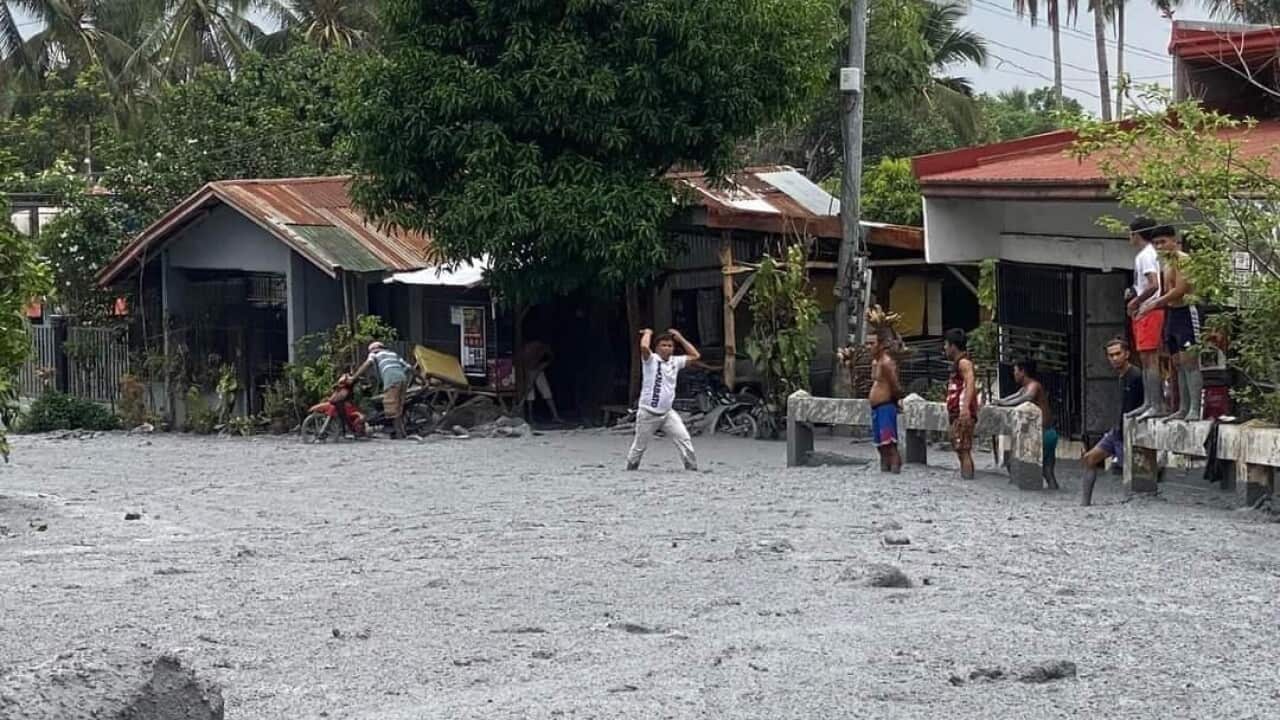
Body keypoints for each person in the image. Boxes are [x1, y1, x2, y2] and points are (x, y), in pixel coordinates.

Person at [1144, 230, 1202, 421]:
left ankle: (1194, 408)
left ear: (1174, 241)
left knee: (1190, 361)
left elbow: (1180, 289)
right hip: (1172, 314)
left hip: (1186, 311)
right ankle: (1183, 407)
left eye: (1162, 242)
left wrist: (1155, 303)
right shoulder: (1166, 263)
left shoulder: (1182, 260)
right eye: (1156, 243)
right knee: (1177, 361)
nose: (1159, 247)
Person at [1081, 337, 1145, 506]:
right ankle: (1085, 504)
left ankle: (1133, 501)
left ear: (1127, 354)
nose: (1115, 358)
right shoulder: (1122, 376)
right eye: (1111, 355)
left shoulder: (1136, 376)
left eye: (1118, 354)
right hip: (1117, 430)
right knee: (1089, 458)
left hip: (1130, 430)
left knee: (1128, 470)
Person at [626, 329, 700, 471]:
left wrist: (681, 338)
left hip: (667, 413)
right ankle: (631, 468)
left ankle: (691, 468)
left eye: (670, 345)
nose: (667, 348)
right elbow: (643, 347)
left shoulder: (675, 361)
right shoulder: (650, 360)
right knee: (639, 447)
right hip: (648, 413)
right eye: (663, 345)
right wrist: (647, 333)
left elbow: (695, 356)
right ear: (657, 348)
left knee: (684, 440)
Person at [992, 357, 1058, 489]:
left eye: (1015, 370)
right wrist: (1001, 402)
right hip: (1047, 433)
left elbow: (1026, 398)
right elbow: (1014, 397)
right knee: (1047, 471)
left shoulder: (1034, 386)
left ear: (1023, 371)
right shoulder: (1025, 387)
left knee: (1016, 464)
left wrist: (1001, 403)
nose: (1014, 374)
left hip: (1042, 434)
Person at [1125, 218, 1166, 420]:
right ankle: (1148, 402)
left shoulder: (1146, 255)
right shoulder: (1145, 255)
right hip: (1145, 309)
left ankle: (1155, 403)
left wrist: (1136, 302)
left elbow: (1153, 284)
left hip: (1149, 310)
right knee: (1144, 358)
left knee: (1150, 358)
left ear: (1136, 234)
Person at [354, 341, 412, 439]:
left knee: (391, 408)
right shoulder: (393, 354)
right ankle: (401, 432)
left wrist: (354, 377)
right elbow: (409, 367)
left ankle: (398, 433)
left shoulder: (375, 354)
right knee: (398, 408)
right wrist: (423, 380)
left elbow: (367, 364)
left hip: (391, 380)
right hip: (403, 379)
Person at [866, 328, 903, 474]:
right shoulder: (876, 362)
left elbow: (895, 385)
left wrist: (897, 400)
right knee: (880, 445)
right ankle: (885, 473)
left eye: (872, 343)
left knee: (889, 444)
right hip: (877, 408)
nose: (869, 347)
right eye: (867, 344)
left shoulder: (887, 363)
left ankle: (894, 471)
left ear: (881, 345)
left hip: (886, 407)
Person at [944, 328, 978, 480]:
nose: (944, 348)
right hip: (956, 411)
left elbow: (970, 382)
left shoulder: (964, 363)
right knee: (960, 448)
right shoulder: (959, 363)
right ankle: (967, 478)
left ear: (953, 346)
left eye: (946, 345)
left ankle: (968, 478)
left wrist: (964, 408)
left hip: (961, 412)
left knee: (963, 450)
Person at [518, 340, 563, 424]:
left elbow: (538, 369)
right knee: (530, 394)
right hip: (527, 369)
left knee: (547, 392)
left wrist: (532, 379)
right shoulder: (530, 350)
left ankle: (555, 416)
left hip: (536, 370)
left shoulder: (548, 356)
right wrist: (529, 381)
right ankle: (530, 418)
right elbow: (527, 366)